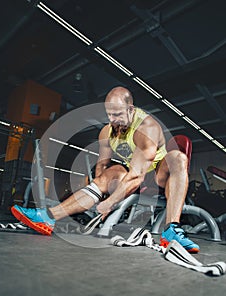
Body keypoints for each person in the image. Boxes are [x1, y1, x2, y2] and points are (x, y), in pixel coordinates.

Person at [11, 86, 199, 253]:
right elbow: (102, 165)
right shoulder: (106, 132)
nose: (113, 119)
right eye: (109, 114)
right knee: (110, 172)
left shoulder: (146, 127)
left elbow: (137, 176)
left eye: (117, 114)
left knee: (177, 158)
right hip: (131, 169)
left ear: (130, 109)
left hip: (157, 174)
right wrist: (100, 191)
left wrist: (110, 203)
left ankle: (171, 230)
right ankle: (48, 217)